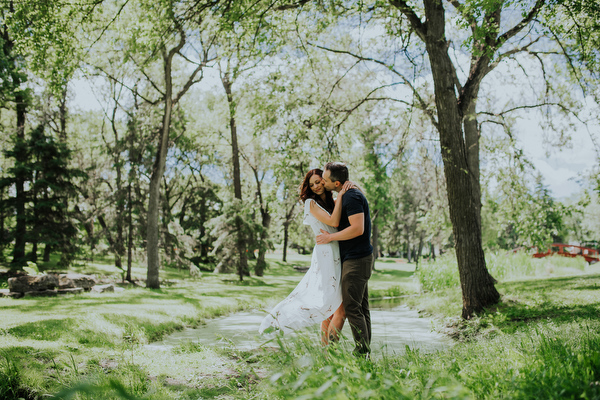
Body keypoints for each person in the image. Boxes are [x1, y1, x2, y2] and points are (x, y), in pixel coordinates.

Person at [258, 169, 352, 344]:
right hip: (326, 254)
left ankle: (326, 354)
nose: (316, 186)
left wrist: (339, 198)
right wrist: (341, 197)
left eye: (318, 182)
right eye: (312, 184)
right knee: (331, 304)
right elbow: (334, 222)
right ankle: (278, 323)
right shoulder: (310, 203)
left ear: (325, 181)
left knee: (331, 307)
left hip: (337, 251)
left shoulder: (330, 202)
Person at [316, 162, 373, 356]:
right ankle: (364, 354)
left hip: (357, 260)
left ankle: (361, 353)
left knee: (352, 308)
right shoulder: (345, 195)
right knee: (360, 308)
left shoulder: (352, 196)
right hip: (354, 258)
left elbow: (358, 229)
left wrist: (329, 237)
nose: (323, 182)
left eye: (325, 179)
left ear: (337, 183)